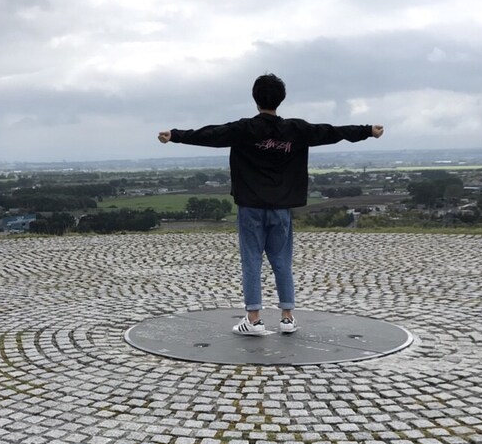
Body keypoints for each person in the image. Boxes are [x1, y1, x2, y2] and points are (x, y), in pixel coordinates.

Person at [158, 73, 384, 336]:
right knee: (282, 261)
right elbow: (332, 132)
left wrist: (175, 135)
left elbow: (210, 135)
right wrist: (367, 130)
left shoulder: (244, 129)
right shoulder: (296, 130)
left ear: (255, 98)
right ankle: (287, 318)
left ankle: (254, 320)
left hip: (250, 207)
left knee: (251, 262)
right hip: (281, 208)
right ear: (281, 99)